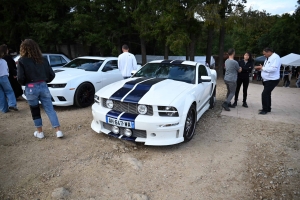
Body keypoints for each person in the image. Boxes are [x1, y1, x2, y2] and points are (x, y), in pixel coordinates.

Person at [17, 39, 63, 139]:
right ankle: (58, 131)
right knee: (50, 109)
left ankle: (40, 132)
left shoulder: (21, 61)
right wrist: (44, 81)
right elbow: (52, 74)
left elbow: (20, 78)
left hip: (31, 87)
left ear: (23, 49)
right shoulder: (43, 59)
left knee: (35, 110)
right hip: (43, 85)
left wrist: (26, 83)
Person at [254, 47, 281, 115]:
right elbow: (267, 68)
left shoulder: (276, 57)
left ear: (269, 52)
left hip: (272, 79)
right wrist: (260, 68)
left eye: (264, 54)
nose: (264, 55)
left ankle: (265, 109)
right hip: (267, 79)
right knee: (268, 94)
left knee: (264, 94)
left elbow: (273, 69)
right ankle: (268, 108)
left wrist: (262, 68)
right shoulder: (268, 58)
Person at [0, 46, 18, 113]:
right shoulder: (3, 61)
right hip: (4, 77)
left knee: (1, 94)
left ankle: (4, 109)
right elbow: (7, 69)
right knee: (9, 91)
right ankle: (12, 104)